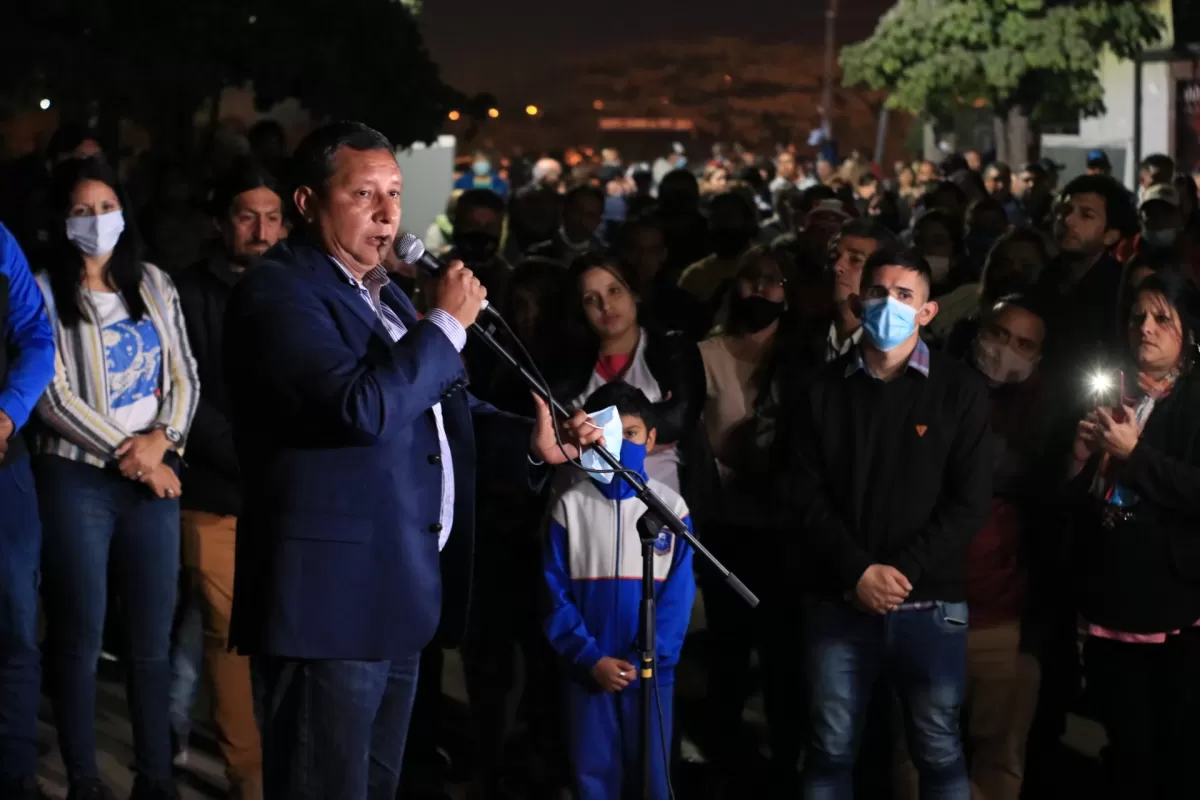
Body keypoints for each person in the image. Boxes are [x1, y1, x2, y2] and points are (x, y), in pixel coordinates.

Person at [221, 121, 599, 800]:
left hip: (398, 590)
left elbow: (441, 413)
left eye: (395, 193)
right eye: (363, 193)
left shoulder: (385, 291)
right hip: (329, 606)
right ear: (308, 203)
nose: (388, 212)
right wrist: (446, 325)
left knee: (375, 784)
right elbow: (358, 409)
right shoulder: (280, 293)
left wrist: (531, 440)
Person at [787, 245, 992, 800]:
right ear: (859, 299)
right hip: (838, 599)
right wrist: (858, 572)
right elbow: (804, 495)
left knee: (940, 749)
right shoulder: (820, 389)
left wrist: (898, 571)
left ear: (928, 311)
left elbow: (970, 502)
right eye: (879, 292)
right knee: (829, 750)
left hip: (930, 604)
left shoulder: (960, 390)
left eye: (905, 296)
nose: (889, 305)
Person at [33, 156, 200, 800]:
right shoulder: (45, 290)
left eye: (106, 207)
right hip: (79, 480)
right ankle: (83, 778)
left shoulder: (153, 282)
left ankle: (155, 777)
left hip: (154, 480)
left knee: (151, 640)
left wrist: (165, 442)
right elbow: (52, 396)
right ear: (62, 220)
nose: (96, 221)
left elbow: (184, 373)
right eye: (81, 210)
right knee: (79, 633)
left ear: (125, 213)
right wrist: (135, 456)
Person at [896, 294, 1050, 800]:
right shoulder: (928, 389)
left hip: (1002, 614)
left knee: (999, 754)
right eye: (1000, 334)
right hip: (928, 603)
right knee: (916, 752)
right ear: (977, 330)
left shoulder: (1046, 417)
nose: (1006, 350)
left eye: (1024, 344)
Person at [172, 160, 285, 799]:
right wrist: (252, 456)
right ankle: (251, 780)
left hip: (291, 496)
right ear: (222, 222)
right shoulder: (186, 292)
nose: (261, 230)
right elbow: (185, 395)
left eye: (272, 217)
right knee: (229, 638)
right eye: (248, 216)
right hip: (216, 491)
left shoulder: (302, 284)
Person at [1067, 271, 1200, 799]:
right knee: (1125, 744)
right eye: (1137, 317)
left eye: (1161, 318)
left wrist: (1135, 455)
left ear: (1189, 330)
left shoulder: (1194, 397)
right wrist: (1076, 460)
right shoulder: (1109, 386)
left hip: (1177, 606)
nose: (1145, 328)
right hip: (1109, 598)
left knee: (1177, 746)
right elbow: (1065, 496)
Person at [542, 381, 695, 800]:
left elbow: (678, 600)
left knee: (653, 780)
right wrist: (590, 658)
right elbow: (554, 595)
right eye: (610, 435)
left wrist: (647, 657)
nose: (619, 444)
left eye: (629, 434)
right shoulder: (569, 505)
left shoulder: (672, 508)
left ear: (650, 438)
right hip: (587, 672)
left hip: (650, 676)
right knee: (593, 779)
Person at [695, 247, 804, 792]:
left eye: (774, 281)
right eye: (751, 280)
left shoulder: (801, 360)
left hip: (787, 532)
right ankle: (725, 765)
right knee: (730, 654)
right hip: (727, 530)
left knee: (786, 658)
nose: (762, 291)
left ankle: (785, 766)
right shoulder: (705, 355)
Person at [553, 253, 704, 496]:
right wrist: (643, 425)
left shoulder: (672, 350)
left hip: (659, 502)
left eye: (614, 291)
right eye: (591, 299)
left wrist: (593, 429)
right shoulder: (567, 362)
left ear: (635, 294)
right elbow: (554, 432)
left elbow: (676, 422)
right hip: (581, 501)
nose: (606, 306)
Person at [0, 224, 55, 800]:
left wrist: (8, 413)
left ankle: (15, 773)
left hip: (3, 457)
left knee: (16, 627)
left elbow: (37, 337)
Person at [1038, 175, 1136, 375]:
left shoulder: (1122, 291)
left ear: (1111, 235)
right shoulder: (1041, 279)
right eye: (1064, 211)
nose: (1068, 220)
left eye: (1086, 215)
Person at [678, 191, 760, 316]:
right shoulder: (695, 275)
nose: (726, 224)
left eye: (731, 216)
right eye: (720, 218)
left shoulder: (766, 265)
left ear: (747, 221)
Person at [525, 184, 606, 265]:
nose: (582, 220)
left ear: (598, 220)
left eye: (590, 215)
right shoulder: (538, 255)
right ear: (564, 210)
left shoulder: (605, 259)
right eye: (577, 211)